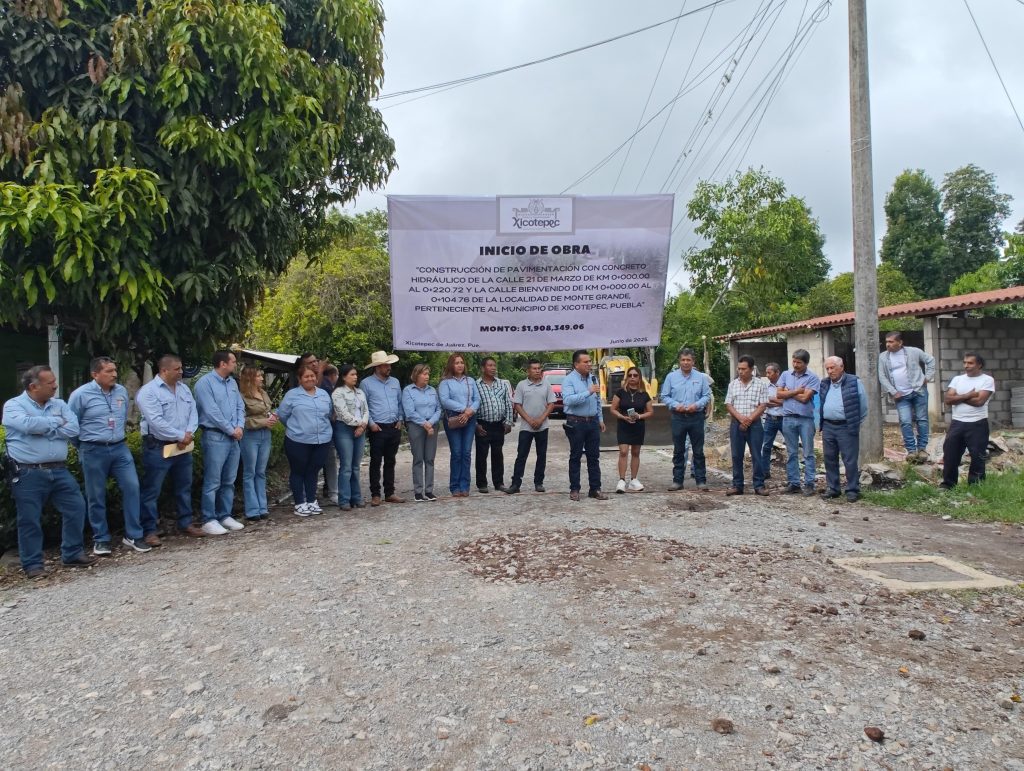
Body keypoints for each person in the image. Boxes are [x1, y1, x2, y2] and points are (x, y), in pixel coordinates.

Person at [2, 365, 97, 578]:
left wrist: (43, 427)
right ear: (34, 386)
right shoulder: (13, 405)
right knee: (29, 519)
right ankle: (33, 565)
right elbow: (27, 425)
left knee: (76, 507)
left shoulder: (60, 403)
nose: (55, 386)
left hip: (59, 470)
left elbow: (73, 429)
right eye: (50, 383)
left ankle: (72, 553)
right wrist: (56, 423)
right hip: (28, 473)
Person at [68, 356, 150, 554]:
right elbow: (71, 426)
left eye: (115, 370)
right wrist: (85, 446)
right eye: (109, 371)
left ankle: (133, 535)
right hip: (93, 449)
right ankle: (101, 539)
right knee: (96, 495)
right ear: (95, 374)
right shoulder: (80, 395)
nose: (114, 374)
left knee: (132, 486)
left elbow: (121, 420)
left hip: (119, 448)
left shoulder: (121, 391)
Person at [137, 354, 203, 538]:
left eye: (181, 368)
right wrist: (180, 435)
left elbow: (193, 413)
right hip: (158, 447)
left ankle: (186, 522)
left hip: (183, 447)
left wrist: (188, 433)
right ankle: (149, 530)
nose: (181, 372)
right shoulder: (148, 392)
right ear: (164, 370)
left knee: (184, 487)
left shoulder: (184, 390)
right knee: (152, 490)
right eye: (177, 369)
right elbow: (156, 421)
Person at [194, 350, 246, 535]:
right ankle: (209, 518)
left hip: (234, 437)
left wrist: (240, 426)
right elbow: (211, 411)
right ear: (223, 364)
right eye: (233, 361)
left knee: (229, 480)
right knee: (213, 480)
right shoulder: (204, 383)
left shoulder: (232, 383)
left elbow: (240, 406)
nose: (235, 364)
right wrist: (231, 429)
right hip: (215, 436)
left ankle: (225, 515)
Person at [276, 363, 334, 516]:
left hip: (322, 439)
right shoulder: (292, 395)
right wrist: (296, 427)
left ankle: (311, 500)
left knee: (313, 471)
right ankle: (299, 503)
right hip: (298, 440)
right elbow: (282, 415)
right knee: (298, 471)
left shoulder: (323, 394)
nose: (310, 379)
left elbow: (328, 413)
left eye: (312, 376)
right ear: (300, 379)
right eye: (306, 376)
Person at [940, 352, 995, 490]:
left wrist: (958, 397)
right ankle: (948, 484)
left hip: (977, 423)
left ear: (979, 365)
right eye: (964, 363)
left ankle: (976, 485)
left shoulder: (987, 380)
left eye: (970, 363)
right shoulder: (958, 379)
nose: (966, 366)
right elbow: (947, 400)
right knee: (950, 454)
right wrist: (969, 394)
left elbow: (979, 402)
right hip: (957, 423)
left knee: (977, 456)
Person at [878, 332, 936, 462]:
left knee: (922, 419)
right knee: (905, 421)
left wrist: (927, 378)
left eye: (891, 342)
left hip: (918, 391)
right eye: (887, 342)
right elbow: (882, 376)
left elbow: (931, 361)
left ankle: (922, 449)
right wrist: (893, 391)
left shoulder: (913, 352)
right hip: (901, 395)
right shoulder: (883, 357)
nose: (888, 344)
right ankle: (911, 450)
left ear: (900, 342)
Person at [660, 347, 711, 492]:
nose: (686, 363)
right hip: (678, 417)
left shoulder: (701, 377)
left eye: (688, 360)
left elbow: (706, 396)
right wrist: (676, 406)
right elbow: (664, 396)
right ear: (679, 361)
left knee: (698, 450)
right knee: (678, 450)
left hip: (696, 417)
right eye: (683, 360)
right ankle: (677, 481)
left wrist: (697, 405)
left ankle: (701, 481)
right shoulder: (671, 377)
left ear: (693, 361)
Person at [819, 356, 868, 502]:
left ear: (841, 367)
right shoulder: (825, 383)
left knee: (849, 460)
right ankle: (833, 488)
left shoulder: (854, 382)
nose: (829, 371)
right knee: (829, 459)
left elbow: (863, 406)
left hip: (846, 426)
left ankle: (852, 490)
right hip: (828, 426)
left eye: (832, 368)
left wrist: (854, 422)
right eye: (827, 368)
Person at [360, 350, 405, 506]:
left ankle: (390, 492)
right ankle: (375, 494)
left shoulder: (395, 382)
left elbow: (400, 402)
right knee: (376, 461)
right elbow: (363, 406)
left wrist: (400, 419)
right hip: (377, 428)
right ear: (377, 367)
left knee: (391, 461)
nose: (389, 368)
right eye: (386, 365)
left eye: (389, 365)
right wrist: (371, 424)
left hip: (393, 426)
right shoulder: (366, 384)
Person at [561, 350, 607, 501]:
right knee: (576, 456)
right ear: (576, 364)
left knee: (594, 457)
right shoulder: (569, 380)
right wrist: (588, 392)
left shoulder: (593, 378)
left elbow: (598, 400)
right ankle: (574, 489)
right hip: (576, 423)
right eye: (585, 362)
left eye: (589, 361)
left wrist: (600, 419)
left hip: (592, 422)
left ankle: (595, 488)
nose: (589, 364)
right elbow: (568, 401)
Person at [506, 359, 557, 495]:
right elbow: (517, 405)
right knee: (521, 455)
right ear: (528, 371)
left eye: (539, 368)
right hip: (526, 427)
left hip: (543, 426)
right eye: (534, 369)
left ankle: (538, 482)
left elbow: (551, 404)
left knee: (542, 455)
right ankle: (516, 483)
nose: (537, 371)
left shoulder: (546, 385)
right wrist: (529, 420)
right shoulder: (522, 385)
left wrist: (541, 419)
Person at [775, 349, 820, 496]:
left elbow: (805, 398)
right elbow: (778, 394)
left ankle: (809, 483)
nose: (795, 364)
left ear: (805, 363)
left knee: (808, 453)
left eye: (799, 362)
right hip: (788, 418)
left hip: (805, 419)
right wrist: (796, 391)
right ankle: (794, 483)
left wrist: (789, 392)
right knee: (791, 452)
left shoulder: (812, 377)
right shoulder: (785, 374)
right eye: (794, 361)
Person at [724, 355, 769, 496]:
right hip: (736, 424)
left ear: (751, 369)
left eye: (743, 369)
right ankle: (737, 485)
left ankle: (759, 485)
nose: (740, 371)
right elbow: (728, 404)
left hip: (754, 425)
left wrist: (749, 419)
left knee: (756, 455)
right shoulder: (733, 384)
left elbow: (763, 405)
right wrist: (740, 418)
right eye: (739, 369)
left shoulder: (760, 384)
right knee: (736, 455)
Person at [239, 366, 278, 522]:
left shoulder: (263, 393)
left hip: (265, 434)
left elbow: (266, 411)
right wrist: (264, 421)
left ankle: (263, 507)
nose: (262, 379)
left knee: (261, 471)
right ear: (250, 378)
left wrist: (272, 417)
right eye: (259, 376)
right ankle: (252, 510)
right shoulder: (241, 396)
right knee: (250, 472)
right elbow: (242, 420)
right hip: (250, 435)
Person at [439, 353, 480, 498]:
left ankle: (465, 486)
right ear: (451, 365)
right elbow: (444, 400)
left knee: (466, 452)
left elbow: (477, 399)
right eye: (456, 363)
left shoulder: (470, 381)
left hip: (469, 419)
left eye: (462, 362)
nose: (460, 365)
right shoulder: (445, 382)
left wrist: (469, 412)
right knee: (456, 453)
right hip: (454, 418)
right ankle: (455, 486)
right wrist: (463, 409)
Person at [609, 365, 654, 493]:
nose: (632, 378)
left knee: (636, 452)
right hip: (624, 424)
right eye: (630, 375)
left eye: (635, 375)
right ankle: (622, 480)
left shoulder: (644, 394)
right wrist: (622, 417)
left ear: (639, 378)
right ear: (627, 378)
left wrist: (639, 416)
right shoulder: (620, 392)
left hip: (638, 425)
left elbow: (650, 411)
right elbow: (612, 409)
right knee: (623, 451)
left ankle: (633, 480)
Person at [332, 364, 370, 510]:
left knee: (356, 466)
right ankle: (344, 500)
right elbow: (342, 413)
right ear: (343, 377)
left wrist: (363, 425)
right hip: (344, 429)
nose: (355, 377)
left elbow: (366, 410)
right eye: (352, 374)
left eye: (356, 374)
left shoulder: (360, 392)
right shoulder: (338, 393)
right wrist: (359, 424)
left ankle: (357, 497)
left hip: (360, 429)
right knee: (346, 466)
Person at [402, 363, 441, 502]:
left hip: (432, 426)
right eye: (424, 374)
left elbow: (438, 409)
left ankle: (429, 490)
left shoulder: (432, 390)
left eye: (428, 374)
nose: (427, 377)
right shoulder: (408, 390)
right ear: (416, 375)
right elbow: (409, 412)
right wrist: (425, 424)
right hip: (417, 427)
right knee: (418, 458)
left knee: (430, 459)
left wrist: (430, 423)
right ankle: (418, 491)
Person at [475, 357, 514, 493]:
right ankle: (482, 484)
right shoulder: (476, 385)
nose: (493, 368)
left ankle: (499, 483)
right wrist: (475, 425)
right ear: (483, 368)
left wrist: (508, 422)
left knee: (498, 455)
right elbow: (472, 405)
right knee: (481, 455)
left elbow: (508, 403)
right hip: (482, 425)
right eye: (490, 365)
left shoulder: (502, 384)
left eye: (494, 365)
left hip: (499, 425)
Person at [319, 363, 340, 505]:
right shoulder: (327, 387)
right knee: (330, 461)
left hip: (323, 429)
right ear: (333, 375)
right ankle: (333, 492)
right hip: (327, 429)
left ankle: (326, 490)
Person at [760, 362, 785, 480]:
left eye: (769, 373)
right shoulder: (766, 387)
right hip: (770, 418)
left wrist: (771, 400)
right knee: (765, 446)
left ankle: (791, 475)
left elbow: (785, 402)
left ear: (777, 372)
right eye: (767, 373)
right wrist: (776, 401)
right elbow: (764, 402)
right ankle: (765, 472)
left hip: (784, 418)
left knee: (791, 445)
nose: (767, 375)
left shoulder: (785, 386)